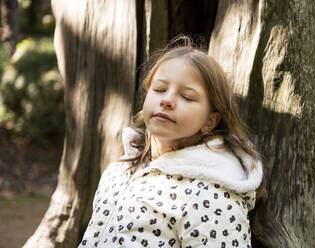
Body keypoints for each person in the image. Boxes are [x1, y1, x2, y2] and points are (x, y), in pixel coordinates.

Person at [78, 36, 264, 248]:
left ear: (209, 121)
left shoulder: (209, 195)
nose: (167, 100)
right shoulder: (120, 170)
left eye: (187, 97)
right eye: (159, 89)